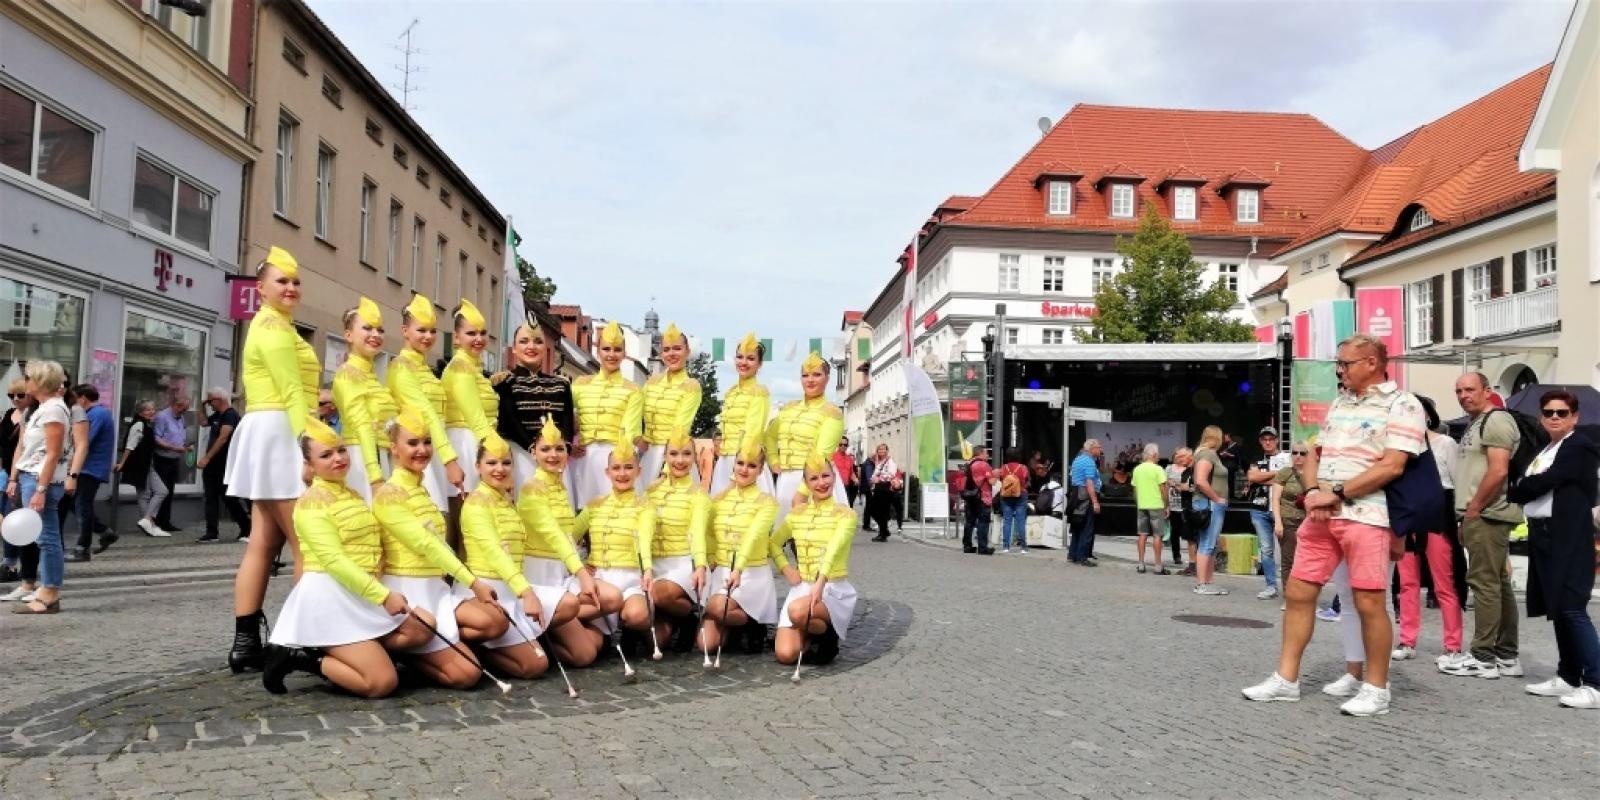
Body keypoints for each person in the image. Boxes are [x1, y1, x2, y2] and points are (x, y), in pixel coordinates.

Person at [1242, 333, 1426, 717]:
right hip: (1322, 514)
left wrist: (1337, 493)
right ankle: (1286, 679)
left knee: (1369, 602)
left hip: (1368, 516)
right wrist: (1312, 493)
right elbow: (1313, 453)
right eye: (1338, 364)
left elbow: (1393, 465)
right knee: (1299, 592)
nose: (1339, 370)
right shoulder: (1340, 403)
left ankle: (1376, 687)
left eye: (1346, 363)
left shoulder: (1403, 404)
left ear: (1372, 363)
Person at [260, 416, 435, 697]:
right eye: (326, 455)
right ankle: (303, 658)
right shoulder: (311, 503)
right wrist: (383, 596)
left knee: (423, 627)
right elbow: (335, 562)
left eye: (341, 450)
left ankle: (362, 653)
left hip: (359, 594)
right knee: (381, 683)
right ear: (309, 465)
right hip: (331, 599)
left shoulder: (351, 494)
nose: (338, 458)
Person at [223, 246, 321, 672]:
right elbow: (292, 391)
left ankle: (246, 643)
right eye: (282, 281)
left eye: (296, 281)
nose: (291, 288)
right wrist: (309, 446)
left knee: (263, 542)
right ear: (260, 288)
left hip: (270, 428)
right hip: (282, 432)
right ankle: (299, 639)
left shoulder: (271, 325)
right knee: (308, 545)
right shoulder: (276, 330)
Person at [373, 408, 507, 688]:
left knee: (494, 622)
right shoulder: (388, 495)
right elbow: (426, 544)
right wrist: (473, 582)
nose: (422, 450)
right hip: (407, 590)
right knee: (467, 676)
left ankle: (428, 650)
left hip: (436, 589)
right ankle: (396, 649)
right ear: (394, 449)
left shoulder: (422, 489)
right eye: (412, 443)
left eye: (426, 442)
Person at [1506, 390, 1600, 708]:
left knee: (1572, 606)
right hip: (1544, 534)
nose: (1555, 417)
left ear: (1575, 416)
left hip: (1568, 533)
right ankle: (1569, 675)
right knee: (1558, 607)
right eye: (1549, 412)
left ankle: (1597, 682)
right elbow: (1526, 484)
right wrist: (1523, 487)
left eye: (1562, 412)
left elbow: (1546, 481)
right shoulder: (1547, 448)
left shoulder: (1579, 445)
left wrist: (1523, 487)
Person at [1443, 371, 1523, 679]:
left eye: (1470, 389)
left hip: (1489, 512)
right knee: (1497, 584)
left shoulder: (1497, 421)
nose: (1463, 395)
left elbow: (1498, 469)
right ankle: (1506, 655)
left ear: (1487, 391)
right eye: (1459, 390)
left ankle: (1483, 657)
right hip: (1479, 513)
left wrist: (1474, 507)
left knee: (1484, 583)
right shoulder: (1477, 423)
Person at [459, 433, 549, 680]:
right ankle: (472, 646)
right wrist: (526, 592)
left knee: (542, 663)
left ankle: (489, 649)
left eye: (506, 463)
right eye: (491, 463)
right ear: (477, 467)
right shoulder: (476, 503)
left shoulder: (505, 500)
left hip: (513, 591)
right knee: (534, 666)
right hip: (487, 591)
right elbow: (494, 552)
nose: (500, 469)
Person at [517, 415, 602, 667]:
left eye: (559, 448)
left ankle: (548, 633)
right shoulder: (531, 489)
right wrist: (581, 572)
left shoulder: (560, 486)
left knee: (609, 599)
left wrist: (593, 511)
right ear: (533, 453)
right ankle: (530, 631)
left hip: (562, 572)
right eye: (545, 449)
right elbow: (554, 534)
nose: (553, 455)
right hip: (539, 575)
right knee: (585, 654)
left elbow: (569, 532)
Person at [1393, 396, 1463, 664]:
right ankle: (1407, 639)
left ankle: (1453, 644)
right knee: (1407, 583)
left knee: (1444, 582)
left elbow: (1456, 483)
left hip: (1438, 516)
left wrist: (1459, 520)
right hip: (1407, 517)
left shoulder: (1445, 443)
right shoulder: (1399, 447)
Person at [701, 436, 783, 655]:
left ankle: (753, 625)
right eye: (740, 463)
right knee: (705, 645)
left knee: (717, 607)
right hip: (722, 570)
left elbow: (754, 536)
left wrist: (738, 569)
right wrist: (710, 559)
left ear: (761, 469)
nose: (745, 470)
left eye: (752, 465)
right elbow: (709, 533)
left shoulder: (767, 502)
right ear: (733, 464)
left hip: (750, 573)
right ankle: (735, 625)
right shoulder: (718, 499)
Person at [773, 453, 857, 666]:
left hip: (831, 588)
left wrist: (820, 583)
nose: (821, 483)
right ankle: (810, 635)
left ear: (834, 477)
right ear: (806, 483)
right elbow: (773, 543)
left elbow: (833, 549)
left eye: (825, 476)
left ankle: (828, 637)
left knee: (797, 610)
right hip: (803, 586)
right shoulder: (797, 514)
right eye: (814, 478)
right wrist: (787, 569)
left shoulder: (845, 515)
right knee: (786, 654)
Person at [572, 446, 657, 655]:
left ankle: (636, 629)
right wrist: (579, 566)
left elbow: (644, 539)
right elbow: (569, 537)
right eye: (616, 468)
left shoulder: (645, 506)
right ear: (607, 472)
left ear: (638, 471)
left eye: (629, 467)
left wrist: (647, 570)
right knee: (595, 648)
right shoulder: (594, 505)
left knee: (637, 615)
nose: (622, 473)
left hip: (631, 577)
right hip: (600, 579)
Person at [387, 294, 464, 512]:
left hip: (435, 448)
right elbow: (427, 413)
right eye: (421, 330)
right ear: (405, 331)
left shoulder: (426, 369)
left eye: (432, 331)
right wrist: (449, 460)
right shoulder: (401, 367)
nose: (428, 336)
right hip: (418, 452)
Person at [6, 361, 70, 615]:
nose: (26, 382)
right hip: (31, 477)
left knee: (47, 538)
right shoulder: (43, 408)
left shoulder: (54, 409)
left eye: (30, 378)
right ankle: (47, 590)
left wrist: (41, 490)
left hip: (40, 480)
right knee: (44, 538)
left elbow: (53, 454)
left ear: (41, 382)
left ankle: (50, 592)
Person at [644, 426, 710, 652]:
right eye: (673, 454)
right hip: (654, 563)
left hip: (683, 563)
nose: (679, 460)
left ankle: (690, 616)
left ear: (694, 458)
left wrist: (700, 565)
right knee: (656, 642)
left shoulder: (698, 495)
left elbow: (697, 532)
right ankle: (672, 616)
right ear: (664, 456)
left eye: (686, 454)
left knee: (659, 593)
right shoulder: (651, 491)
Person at [332, 298, 399, 505]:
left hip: (380, 457)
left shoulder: (373, 377)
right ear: (349, 335)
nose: (375, 335)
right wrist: (375, 476)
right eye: (368, 328)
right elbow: (362, 426)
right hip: (362, 460)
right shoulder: (348, 374)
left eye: (380, 330)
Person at [569, 321, 644, 508]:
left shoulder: (633, 390)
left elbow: (631, 430)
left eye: (617, 350)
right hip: (582, 457)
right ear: (598, 351)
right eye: (607, 349)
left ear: (624, 353)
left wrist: (622, 464)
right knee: (579, 510)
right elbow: (564, 417)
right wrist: (569, 444)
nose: (611, 355)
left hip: (615, 458)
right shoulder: (579, 384)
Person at [766, 351, 847, 523]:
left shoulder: (832, 412)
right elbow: (770, 436)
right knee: (785, 535)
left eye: (817, 375)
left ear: (827, 378)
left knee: (816, 535)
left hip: (817, 480)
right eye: (805, 375)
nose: (810, 380)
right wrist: (773, 460)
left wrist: (803, 491)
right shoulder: (788, 409)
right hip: (786, 478)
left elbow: (821, 455)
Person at [496, 323, 577, 491]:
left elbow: (567, 422)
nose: (531, 346)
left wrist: (562, 451)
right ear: (514, 349)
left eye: (538, 342)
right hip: (521, 457)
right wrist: (535, 449)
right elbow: (510, 422)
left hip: (556, 460)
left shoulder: (560, 384)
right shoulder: (504, 383)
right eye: (524, 341)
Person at [442, 301, 499, 500]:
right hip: (466, 443)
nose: (479, 339)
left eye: (483, 333)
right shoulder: (460, 368)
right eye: (471, 334)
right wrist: (494, 454)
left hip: (477, 441)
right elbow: (475, 416)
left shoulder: (472, 368)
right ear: (456, 338)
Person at [637, 322, 701, 489]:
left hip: (675, 456)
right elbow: (636, 413)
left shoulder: (691, 386)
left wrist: (668, 467)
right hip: (647, 455)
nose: (671, 354)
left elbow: (681, 428)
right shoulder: (651, 383)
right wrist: (636, 438)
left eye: (677, 349)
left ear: (687, 351)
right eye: (666, 349)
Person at [710, 333, 773, 496]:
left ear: (760, 364)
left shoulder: (759, 392)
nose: (743, 362)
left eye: (751, 358)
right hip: (724, 462)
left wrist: (736, 473)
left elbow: (753, 433)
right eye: (740, 357)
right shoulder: (730, 392)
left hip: (746, 463)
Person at [65, 385, 116, 560]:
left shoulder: (97, 414)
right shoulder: (99, 413)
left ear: (83, 399)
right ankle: (104, 531)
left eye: (74, 399)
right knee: (74, 505)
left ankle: (82, 548)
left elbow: (84, 441)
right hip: (88, 467)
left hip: (90, 468)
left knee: (82, 506)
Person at [197, 388, 251, 543]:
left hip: (224, 464)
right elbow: (203, 422)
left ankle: (247, 527)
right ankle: (211, 532)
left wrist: (207, 458)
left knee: (229, 498)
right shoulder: (217, 415)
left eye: (210, 400)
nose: (209, 404)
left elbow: (223, 438)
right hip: (213, 465)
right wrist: (202, 407)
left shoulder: (230, 415)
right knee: (210, 498)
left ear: (219, 399)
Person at [1246, 427, 1293, 600]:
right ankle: (1271, 585)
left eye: (1271, 439)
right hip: (1259, 508)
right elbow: (1252, 477)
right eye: (1264, 439)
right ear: (1260, 441)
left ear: (1277, 440)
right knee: (1266, 549)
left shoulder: (1287, 457)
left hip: (1282, 508)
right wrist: (1278, 474)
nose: (1268, 442)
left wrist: (1264, 476)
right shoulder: (1256, 458)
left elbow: (1288, 479)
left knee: (1288, 550)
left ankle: (1290, 587)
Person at [113, 401, 167, 539]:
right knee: (144, 494)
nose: (152, 412)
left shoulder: (148, 425)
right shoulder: (139, 425)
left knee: (161, 491)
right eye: (148, 410)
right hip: (139, 465)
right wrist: (122, 463)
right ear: (140, 413)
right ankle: (151, 525)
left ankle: (147, 520)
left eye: (153, 409)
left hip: (147, 464)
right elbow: (130, 445)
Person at [1269, 441, 1310, 601]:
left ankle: (1304, 595)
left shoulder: (1313, 474)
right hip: (1288, 521)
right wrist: (1278, 522)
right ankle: (1290, 596)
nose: (1298, 456)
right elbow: (1276, 499)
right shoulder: (1285, 473)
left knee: (1306, 561)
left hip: (1308, 522)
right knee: (1289, 560)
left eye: (1302, 453)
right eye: (1294, 453)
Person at [1191, 427, 1230, 594]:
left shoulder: (1207, 454)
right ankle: (1201, 584)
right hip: (1209, 503)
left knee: (1211, 544)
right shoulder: (1207, 454)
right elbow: (1200, 480)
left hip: (1211, 503)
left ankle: (1207, 581)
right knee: (1207, 543)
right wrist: (1216, 498)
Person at [150, 391, 192, 533]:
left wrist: (185, 445)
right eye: (183, 408)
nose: (185, 411)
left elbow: (179, 434)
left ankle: (165, 521)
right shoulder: (163, 417)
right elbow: (156, 438)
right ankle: (153, 521)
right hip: (162, 459)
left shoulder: (180, 417)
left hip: (174, 458)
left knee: (169, 492)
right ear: (175, 405)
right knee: (161, 491)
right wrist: (174, 447)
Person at [1, 379, 29, 581]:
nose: (15, 399)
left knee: (12, 519)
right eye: (12, 396)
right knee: (4, 517)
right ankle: (9, 561)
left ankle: (10, 563)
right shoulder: (9, 415)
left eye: (20, 395)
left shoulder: (33, 415)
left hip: (22, 473)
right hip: (4, 472)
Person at [1131, 443, 1169, 574]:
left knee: (1142, 534)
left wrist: (1138, 503)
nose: (1159, 456)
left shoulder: (1137, 469)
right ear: (1153, 455)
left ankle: (1141, 564)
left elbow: (1135, 490)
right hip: (1156, 505)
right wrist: (1167, 505)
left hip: (1142, 505)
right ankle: (1158, 565)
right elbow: (1163, 489)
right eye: (1158, 454)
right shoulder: (1158, 469)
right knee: (1157, 535)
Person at [1067, 439, 1103, 566]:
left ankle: (1073, 554)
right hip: (1085, 496)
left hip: (1076, 494)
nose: (1100, 450)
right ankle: (1082, 556)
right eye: (1099, 447)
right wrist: (1095, 502)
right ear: (1092, 448)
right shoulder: (1089, 461)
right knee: (1087, 527)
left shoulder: (1078, 459)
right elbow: (1089, 482)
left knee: (1077, 525)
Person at [995, 448, 1031, 553]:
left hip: (1006, 496)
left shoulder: (1003, 467)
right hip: (1021, 495)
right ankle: (1023, 547)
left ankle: (1006, 546)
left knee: (1007, 521)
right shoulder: (1023, 468)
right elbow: (1026, 480)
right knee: (1020, 521)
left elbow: (1000, 479)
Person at [960, 446, 994, 554]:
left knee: (969, 522)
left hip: (969, 497)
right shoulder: (985, 465)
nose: (988, 455)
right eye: (986, 453)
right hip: (983, 497)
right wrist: (996, 475)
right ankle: (982, 547)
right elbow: (992, 482)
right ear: (980, 453)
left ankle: (967, 546)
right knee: (983, 522)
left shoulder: (967, 464)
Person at [863, 444, 897, 541]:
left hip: (885, 488)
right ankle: (884, 530)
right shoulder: (880, 462)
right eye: (879, 449)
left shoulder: (890, 461)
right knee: (875, 511)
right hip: (878, 488)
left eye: (883, 449)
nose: (881, 451)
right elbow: (875, 474)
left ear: (887, 451)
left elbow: (891, 474)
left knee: (880, 511)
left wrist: (879, 479)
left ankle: (882, 533)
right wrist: (873, 481)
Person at [1167, 449, 1194, 570]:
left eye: (1182, 456)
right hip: (1173, 504)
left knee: (1189, 534)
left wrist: (1178, 486)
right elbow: (1163, 482)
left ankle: (1193, 560)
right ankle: (1176, 555)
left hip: (1185, 505)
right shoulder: (1169, 468)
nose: (1179, 458)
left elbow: (1190, 486)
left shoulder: (1189, 469)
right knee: (1175, 532)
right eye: (1177, 456)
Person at [833, 437, 858, 510]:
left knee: (845, 508)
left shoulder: (849, 458)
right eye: (840, 444)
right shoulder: (832, 456)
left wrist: (855, 479)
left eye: (845, 445)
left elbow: (851, 473)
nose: (843, 446)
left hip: (846, 487)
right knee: (836, 508)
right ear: (837, 445)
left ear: (847, 445)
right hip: (835, 487)